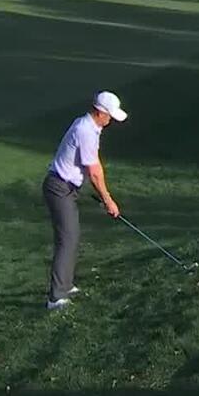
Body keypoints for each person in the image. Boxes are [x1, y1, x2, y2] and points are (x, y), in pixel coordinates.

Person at [42, 91, 127, 311]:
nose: (110, 120)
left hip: (66, 188)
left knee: (72, 236)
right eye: (109, 116)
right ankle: (55, 298)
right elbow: (95, 171)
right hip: (59, 188)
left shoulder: (89, 127)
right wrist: (108, 200)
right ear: (100, 112)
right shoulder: (85, 131)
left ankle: (66, 285)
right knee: (67, 239)